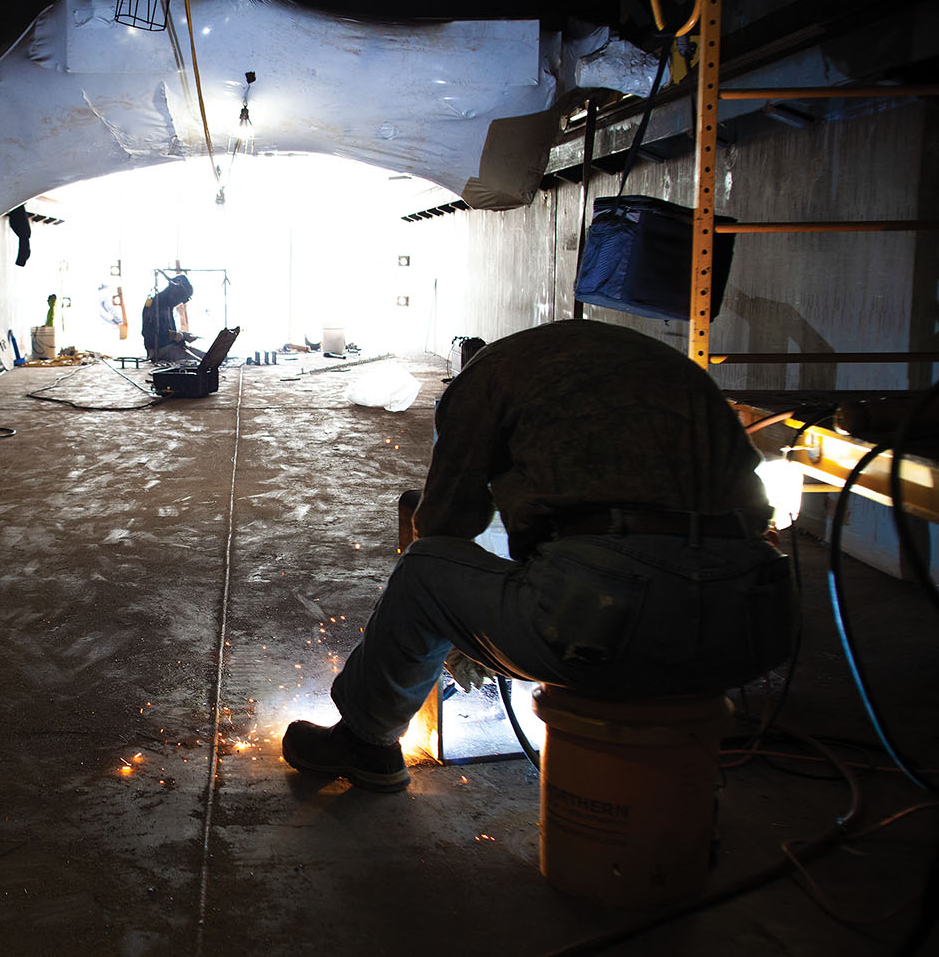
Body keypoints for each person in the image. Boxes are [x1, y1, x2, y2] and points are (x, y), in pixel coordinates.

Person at [282, 320, 796, 792]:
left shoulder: (488, 380)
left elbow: (445, 524)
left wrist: (468, 633)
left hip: (609, 625)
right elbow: (756, 511)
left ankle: (364, 742)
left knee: (424, 568)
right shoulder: (671, 369)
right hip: (755, 626)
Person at [142, 275, 205, 364]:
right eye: (181, 298)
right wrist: (175, 335)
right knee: (199, 363)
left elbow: (169, 331)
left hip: (172, 346)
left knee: (207, 357)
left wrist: (183, 335)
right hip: (159, 350)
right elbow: (148, 332)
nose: (180, 302)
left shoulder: (168, 306)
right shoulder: (155, 304)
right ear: (174, 292)